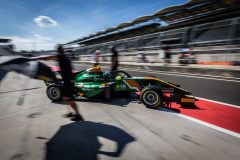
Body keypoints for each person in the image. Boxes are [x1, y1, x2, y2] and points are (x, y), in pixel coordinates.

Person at [33, 45, 84, 121]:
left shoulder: (60, 56)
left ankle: (78, 115)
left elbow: (48, 57)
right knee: (64, 97)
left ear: (58, 50)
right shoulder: (66, 57)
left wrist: (36, 58)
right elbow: (72, 68)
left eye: (58, 49)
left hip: (68, 82)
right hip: (68, 80)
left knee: (70, 99)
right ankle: (70, 112)